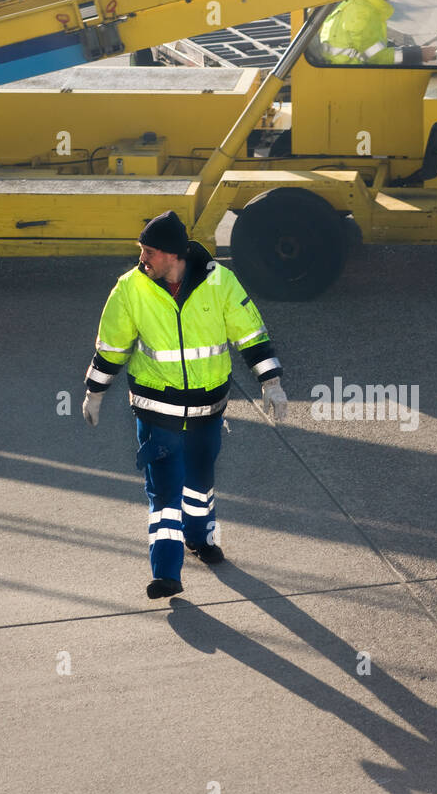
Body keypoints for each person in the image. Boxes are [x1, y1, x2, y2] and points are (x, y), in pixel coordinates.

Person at [81, 210, 288, 599]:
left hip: (208, 412)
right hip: (157, 413)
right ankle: (166, 573)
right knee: (164, 494)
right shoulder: (129, 289)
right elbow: (111, 348)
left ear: (173, 255)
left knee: (199, 483)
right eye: (142, 251)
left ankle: (201, 539)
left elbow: (251, 334)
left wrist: (271, 382)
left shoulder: (220, 283)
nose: (143, 259)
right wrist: (94, 392)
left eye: (149, 252)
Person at [318, 0, 437, 65]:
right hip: (352, 75)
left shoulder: (360, 2)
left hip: (346, 68)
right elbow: (376, 57)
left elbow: (372, 48)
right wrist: (419, 54)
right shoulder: (363, 12)